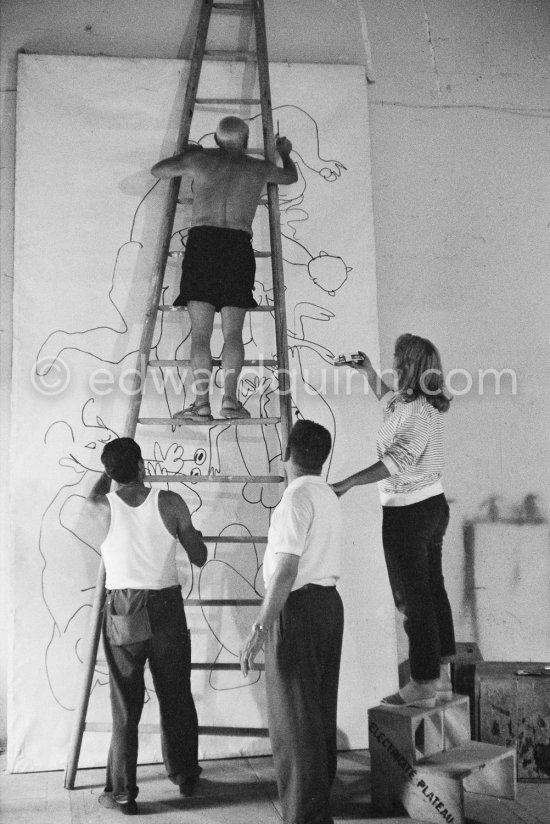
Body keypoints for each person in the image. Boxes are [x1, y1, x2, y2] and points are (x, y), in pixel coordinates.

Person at [332, 334, 455, 708]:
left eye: (399, 359)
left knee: (413, 599)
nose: (394, 364)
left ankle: (423, 683)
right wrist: (367, 371)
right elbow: (388, 400)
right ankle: (441, 675)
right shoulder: (411, 402)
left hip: (409, 514)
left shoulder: (418, 413)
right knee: (431, 591)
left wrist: (347, 483)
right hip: (428, 507)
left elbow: (395, 461)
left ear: (412, 366)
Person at [87, 437, 208, 816]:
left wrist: (109, 474)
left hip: (124, 608)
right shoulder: (170, 502)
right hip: (166, 606)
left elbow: (96, 492)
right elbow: (199, 557)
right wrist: (193, 537)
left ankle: (123, 793)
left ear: (111, 472)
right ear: (142, 466)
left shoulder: (100, 507)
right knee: (176, 695)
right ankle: (185, 775)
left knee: (125, 705)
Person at [151, 116, 298, 422]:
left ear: (217, 140)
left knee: (200, 334)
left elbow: (158, 170)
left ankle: (201, 404)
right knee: (233, 333)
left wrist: (188, 155)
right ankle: (230, 401)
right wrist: (285, 153)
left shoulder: (201, 159)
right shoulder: (258, 167)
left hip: (203, 244)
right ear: (245, 141)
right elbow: (289, 177)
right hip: (237, 247)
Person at [239, 420, 344, 824]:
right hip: (328, 605)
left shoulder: (295, 499)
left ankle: (306, 816)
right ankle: (318, 806)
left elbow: (285, 570)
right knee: (316, 712)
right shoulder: (327, 495)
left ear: (287, 453)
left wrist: (259, 628)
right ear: (322, 458)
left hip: (297, 609)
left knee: (294, 721)